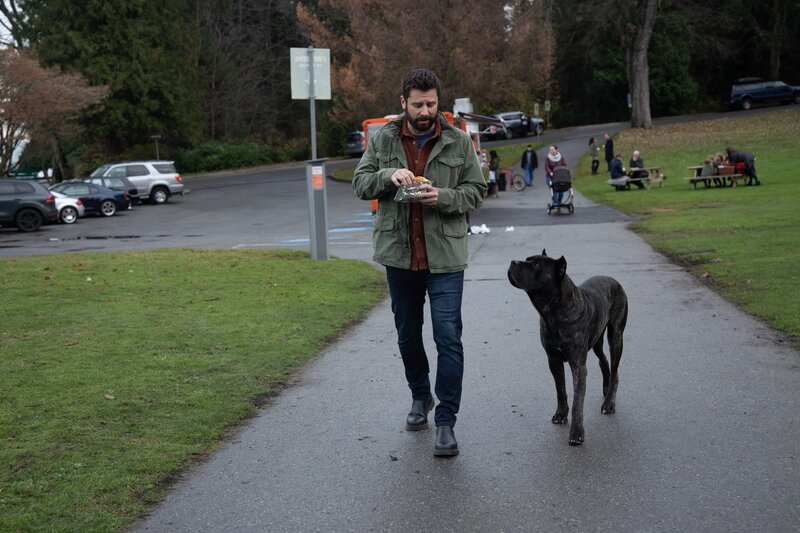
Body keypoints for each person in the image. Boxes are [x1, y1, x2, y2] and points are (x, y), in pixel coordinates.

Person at [352, 68, 487, 457]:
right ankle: (420, 397)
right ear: (403, 103)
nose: (425, 111)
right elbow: (361, 183)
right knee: (408, 336)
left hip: (445, 259)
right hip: (399, 256)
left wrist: (441, 197)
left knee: (448, 339)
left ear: (438, 102)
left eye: (430, 104)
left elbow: (476, 191)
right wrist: (386, 174)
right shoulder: (383, 138)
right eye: (417, 104)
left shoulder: (459, 142)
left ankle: (446, 420)